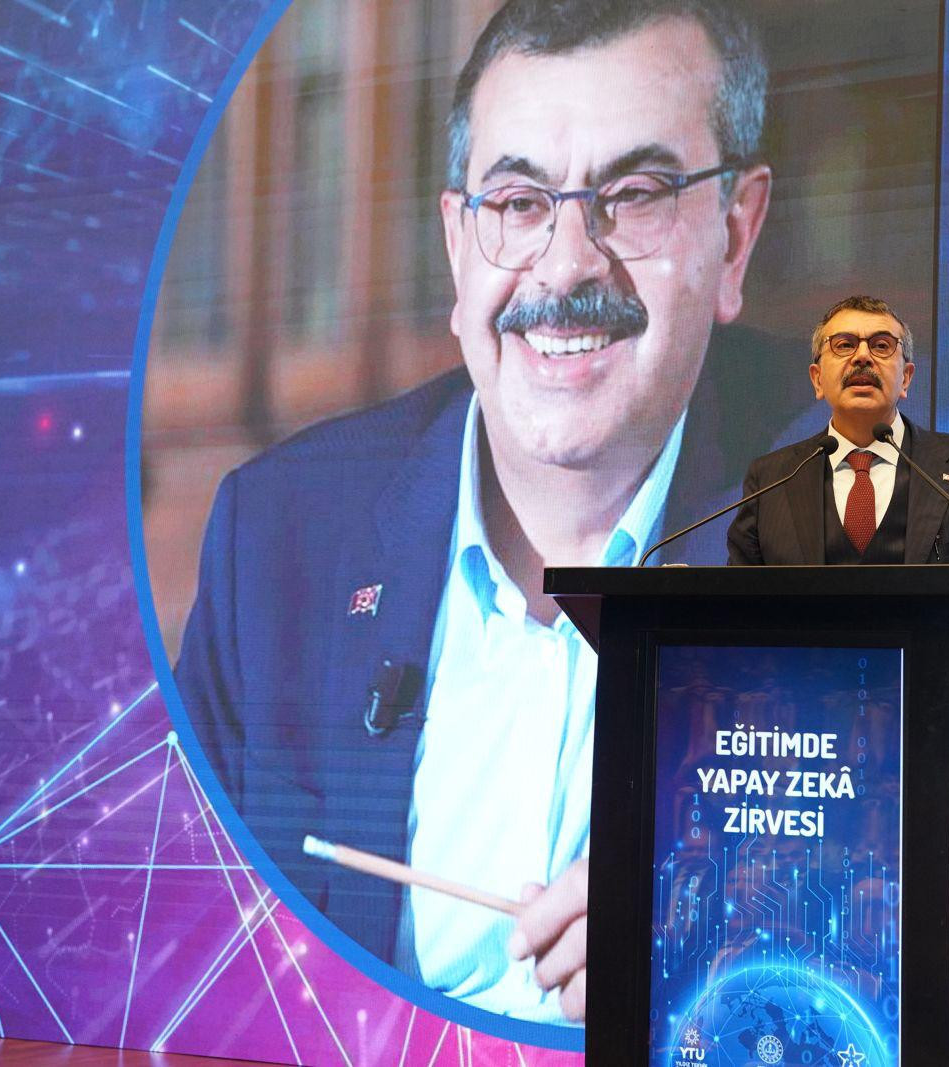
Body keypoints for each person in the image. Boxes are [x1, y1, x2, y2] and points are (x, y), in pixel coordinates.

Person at [173, 0, 795, 1025]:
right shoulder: (280, 536)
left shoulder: (868, 534)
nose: (566, 264)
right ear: (459, 244)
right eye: (516, 202)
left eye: (634, 196)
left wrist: (729, 962)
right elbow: (169, 950)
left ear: (734, 237)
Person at [726, 294, 949, 605]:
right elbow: (735, 606)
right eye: (844, 345)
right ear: (817, 380)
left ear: (906, 379)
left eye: (881, 345)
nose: (862, 357)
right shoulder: (771, 479)